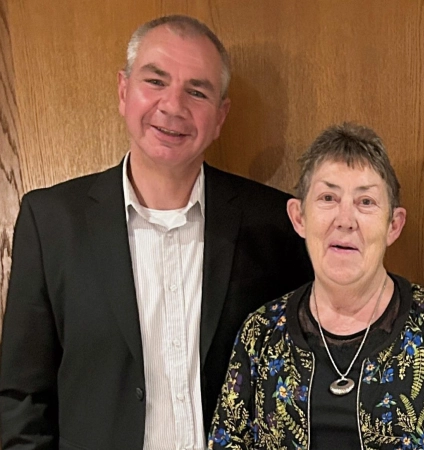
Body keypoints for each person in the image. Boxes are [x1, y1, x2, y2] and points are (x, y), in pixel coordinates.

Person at [0, 15, 312, 450]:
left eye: (197, 91)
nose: (173, 106)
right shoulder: (51, 221)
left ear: (220, 116)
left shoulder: (277, 223)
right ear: (124, 91)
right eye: (156, 81)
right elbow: (22, 398)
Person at [208, 123, 424, 450]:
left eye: (365, 201)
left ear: (393, 225)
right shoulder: (261, 333)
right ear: (299, 217)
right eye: (328, 198)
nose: (345, 219)